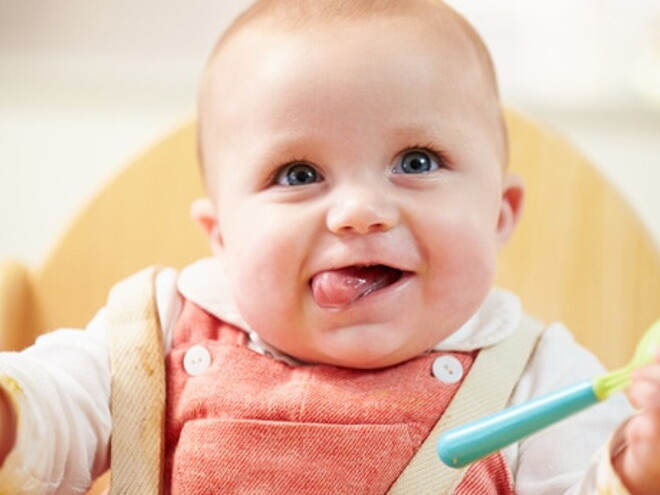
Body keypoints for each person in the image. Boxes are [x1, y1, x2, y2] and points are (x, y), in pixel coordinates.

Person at [0, 0, 658, 493]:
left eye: (418, 160)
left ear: (499, 214)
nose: (360, 212)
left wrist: (635, 467)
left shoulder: (536, 375)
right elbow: (55, 406)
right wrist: (14, 410)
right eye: (298, 174)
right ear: (223, 238)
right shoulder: (157, 331)